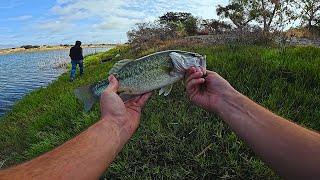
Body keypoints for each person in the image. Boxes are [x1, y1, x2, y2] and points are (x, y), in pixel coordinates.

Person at [0, 67, 319, 179]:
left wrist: (114, 125)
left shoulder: (175, 69)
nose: (196, 62)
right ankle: (92, 93)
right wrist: (114, 122)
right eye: (190, 57)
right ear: (177, 61)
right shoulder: (170, 64)